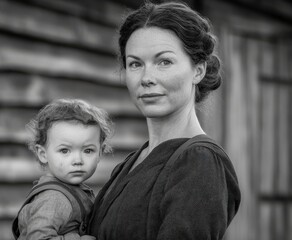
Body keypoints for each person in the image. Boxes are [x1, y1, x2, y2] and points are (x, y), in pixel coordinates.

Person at [87, 1, 241, 240]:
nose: (147, 78)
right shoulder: (133, 162)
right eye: (135, 64)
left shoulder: (200, 161)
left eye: (164, 62)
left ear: (198, 70)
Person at [13, 99, 113, 240]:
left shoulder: (71, 190)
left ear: (100, 153)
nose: (77, 160)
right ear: (43, 154)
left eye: (88, 150)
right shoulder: (55, 198)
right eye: (65, 151)